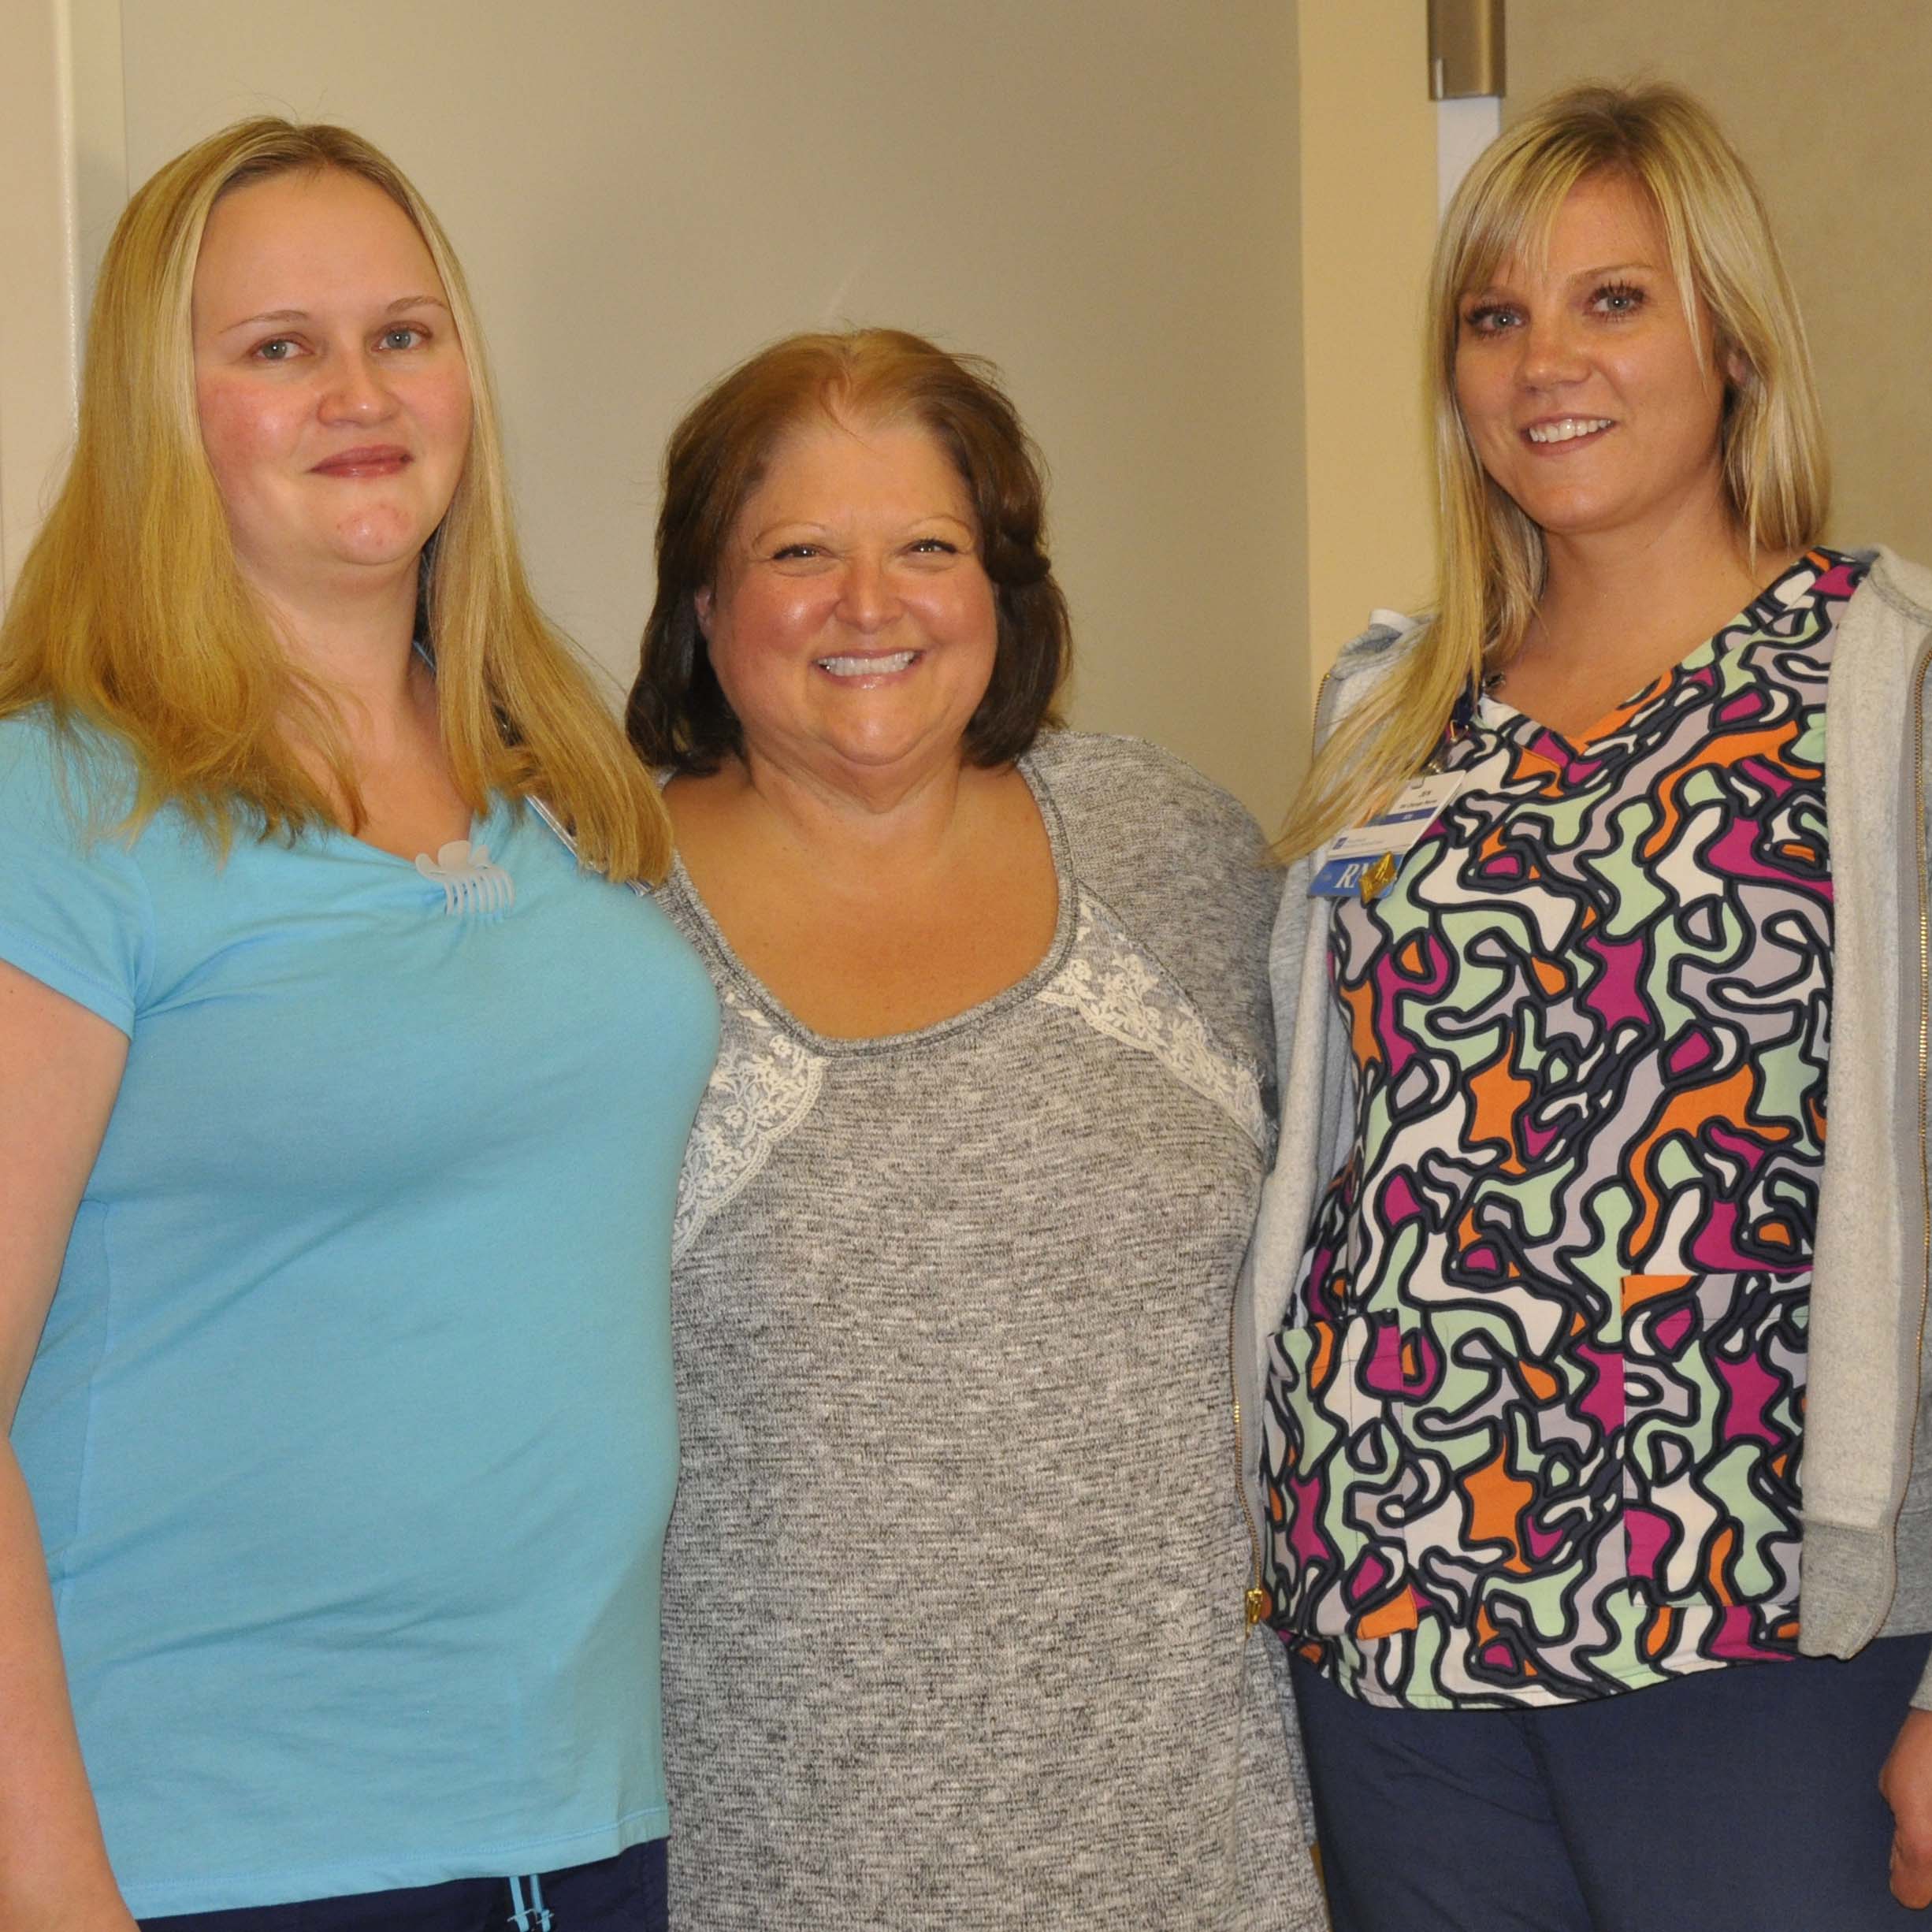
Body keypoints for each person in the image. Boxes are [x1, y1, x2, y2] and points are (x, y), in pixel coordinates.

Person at [0, 119, 717, 1931]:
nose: (357, 389)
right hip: (221, 1850)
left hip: (575, 1817)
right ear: (167, 413)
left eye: (403, 333)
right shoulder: (59, 805)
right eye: (277, 347)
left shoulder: (555, 781)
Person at [1245, 80, 1932, 1930]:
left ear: (1727, 334)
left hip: (1752, 1623)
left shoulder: (1875, 683)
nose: (1543, 359)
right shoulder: (1384, 709)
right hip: (1388, 1605)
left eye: (1610, 299)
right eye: (1493, 313)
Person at [626, 327, 1325, 1930]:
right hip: (763, 1860)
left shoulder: (1172, 854)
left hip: (1184, 1850)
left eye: (926, 548)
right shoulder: (593, 926)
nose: (867, 606)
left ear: (1001, 590)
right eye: (798, 551)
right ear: (702, 604)